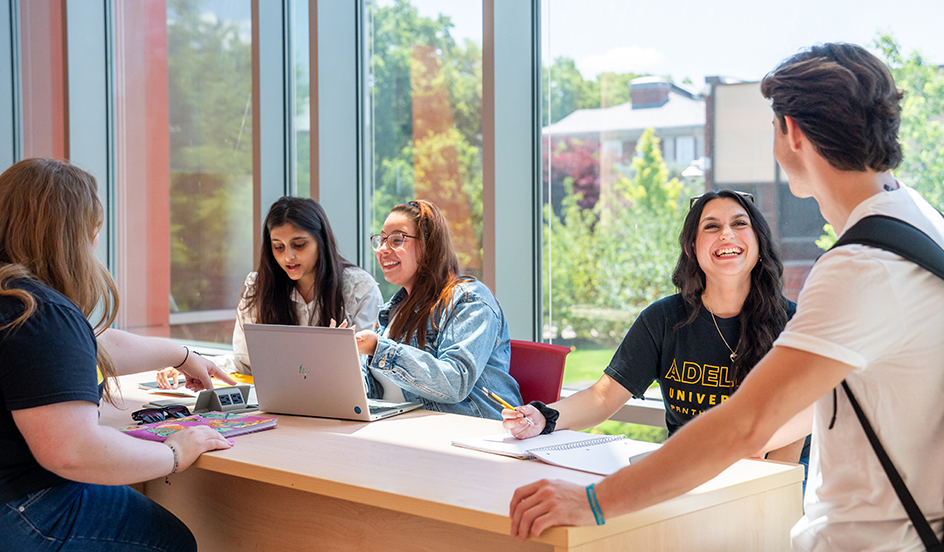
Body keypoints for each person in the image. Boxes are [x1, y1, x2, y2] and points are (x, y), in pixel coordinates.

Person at [509, 43, 944, 551]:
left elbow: (746, 424)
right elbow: (807, 410)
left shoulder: (860, 267)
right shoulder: (926, 227)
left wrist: (592, 502)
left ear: (790, 131)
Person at [0, 158, 237, 552]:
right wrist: (174, 452)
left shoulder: (16, 302)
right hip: (27, 510)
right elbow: (72, 451)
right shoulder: (42, 313)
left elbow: (85, 347)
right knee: (171, 541)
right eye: (93, 231)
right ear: (72, 235)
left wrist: (180, 355)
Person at [503, 189, 806, 465]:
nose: (726, 234)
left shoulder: (793, 322)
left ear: (758, 241)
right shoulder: (663, 320)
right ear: (691, 248)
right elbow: (602, 398)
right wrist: (544, 416)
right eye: (711, 226)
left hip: (769, 476)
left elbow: (797, 429)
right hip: (686, 474)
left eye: (740, 224)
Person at [158, 196, 382, 384]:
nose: (288, 257)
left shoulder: (359, 288)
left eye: (299, 244)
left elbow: (367, 372)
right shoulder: (258, 286)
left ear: (321, 241)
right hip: (276, 405)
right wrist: (194, 364)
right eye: (278, 247)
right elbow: (245, 362)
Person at [354, 200, 522, 419]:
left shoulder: (471, 300)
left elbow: (455, 382)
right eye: (381, 240)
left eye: (396, 239)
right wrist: (342, 358)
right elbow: (379, 390)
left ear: (429, 245)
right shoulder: (394, 310)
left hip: (467, 436)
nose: (383, 250)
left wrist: (379, 348)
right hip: (402, 434)